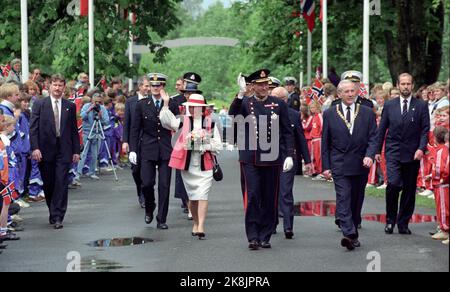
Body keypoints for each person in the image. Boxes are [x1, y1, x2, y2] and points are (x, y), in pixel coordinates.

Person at [229, 69, 295, 250]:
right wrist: (240, 94)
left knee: (269, 197)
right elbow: (233, 115)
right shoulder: (245, 103)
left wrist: (289, 154)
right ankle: (252, 235)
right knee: (252, 195)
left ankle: (266, 234)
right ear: (253, 86)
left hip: (272, 157)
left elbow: (287, 132)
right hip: (250, 157)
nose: (264, 87)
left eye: (266, 84)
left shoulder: (277, 104)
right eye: (260, 84)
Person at [322, 80, 378, 251]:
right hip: (339, 162)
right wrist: (326, 166)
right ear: (339, 94)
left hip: (360, 162)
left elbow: (374, 138)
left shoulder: (367, 113)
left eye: (353, 91)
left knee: (356, 199)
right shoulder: (330, 113)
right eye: (346, 91)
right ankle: (349, 233)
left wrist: (370, 156)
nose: (350, 94)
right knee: (344, 197)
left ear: (357, 92)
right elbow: (326, 142)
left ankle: (353, 231)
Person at [160, 93, 223, 239]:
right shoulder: (182, 121)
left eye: (198, 107)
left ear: (203, 109)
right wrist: (165, 103)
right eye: (192, 107)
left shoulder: (210, 123)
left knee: (203, 194)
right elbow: (166, 121)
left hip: (205, 165)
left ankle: (201, 225)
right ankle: (195, 222)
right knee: (193, 197)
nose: (195, 109)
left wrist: (203, 144)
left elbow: (218, 146)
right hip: (188, 166)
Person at [376, 73, 430, 235]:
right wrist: (377, 150)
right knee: (393, 184)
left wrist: (421, 148)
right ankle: (390, 220)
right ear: (398, 85)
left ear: (412, 86)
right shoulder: (390, 105)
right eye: (403, 84)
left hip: (413, 153)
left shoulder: (421, 105)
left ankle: (403, 222)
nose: (405, 87)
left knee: (409, 188)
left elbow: (425, 130)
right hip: (393, 151)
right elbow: (382, 130)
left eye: (408, 84)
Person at [30, 74, 81, 230]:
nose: (57, 88)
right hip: (45, 149)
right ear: (49, 86)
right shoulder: (40, 104)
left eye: (60, 85)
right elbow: (33, 128)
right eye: (55, 85)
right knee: (49, 183)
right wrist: (35, 148)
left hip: (64, 149)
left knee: (61, 182)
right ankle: (52, 209)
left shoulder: (69, 106)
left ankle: (58, 215)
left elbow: (73, 130)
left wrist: (76, 150)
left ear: (64, 87)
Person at [129, 73, 180, 230]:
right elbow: (135, 128)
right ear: (149, 87)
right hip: (147, 148)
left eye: (159, 85)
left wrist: (165, 105)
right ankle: (150, 208)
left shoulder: (171, 104)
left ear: (163, 86)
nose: (155, 88)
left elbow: (175, 126)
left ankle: (161, 218)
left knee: (164, 185)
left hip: (165, 148)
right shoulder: (142, 104)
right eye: (153, 86)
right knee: (147, 183)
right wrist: (133, 149)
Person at [272, 87, 311, 239]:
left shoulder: (294, 115)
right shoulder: (265, 112)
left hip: (287, 158)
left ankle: (288, 226)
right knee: (271, 192)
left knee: (285, 192)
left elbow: (300, 138)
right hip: (269, 159)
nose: (275, 101)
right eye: (273, 97)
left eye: (279, 98)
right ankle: (272, 223)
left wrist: (307, 161)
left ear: (285, 100)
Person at [123, 76, 151, 208]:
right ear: (139, 86)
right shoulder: (130, 101)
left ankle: (146, 194)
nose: (148, 88)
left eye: (149, 86)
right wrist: (125, 141)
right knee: (135, 170)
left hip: (148, 140)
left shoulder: (152, 101)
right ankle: (140, 191)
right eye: (146, 86)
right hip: (134, 140)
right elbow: (127, 122)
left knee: (147, 170)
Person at [76, 93, 110, 180]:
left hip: (97, 132)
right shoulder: (87, 106)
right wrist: (89, 110)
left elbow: (106, 122)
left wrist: (101, 116)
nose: (97, 104)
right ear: (92, 100)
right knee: (83, 153)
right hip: (87, 132)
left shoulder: (102, 108)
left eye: (99, 102)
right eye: (96, 102)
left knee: (95, 154)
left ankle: (92, 172)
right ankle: (78, 173)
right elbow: (81, 117)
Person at [427, 127, 449, 243]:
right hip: (441, 182)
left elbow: (440, 168)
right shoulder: (443, 150)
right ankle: (442, 226)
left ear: (435, 138)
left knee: (443, 207)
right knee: (442, 207)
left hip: (441, 184)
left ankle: (445, 229)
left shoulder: (441, 151)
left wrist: (437, 178)